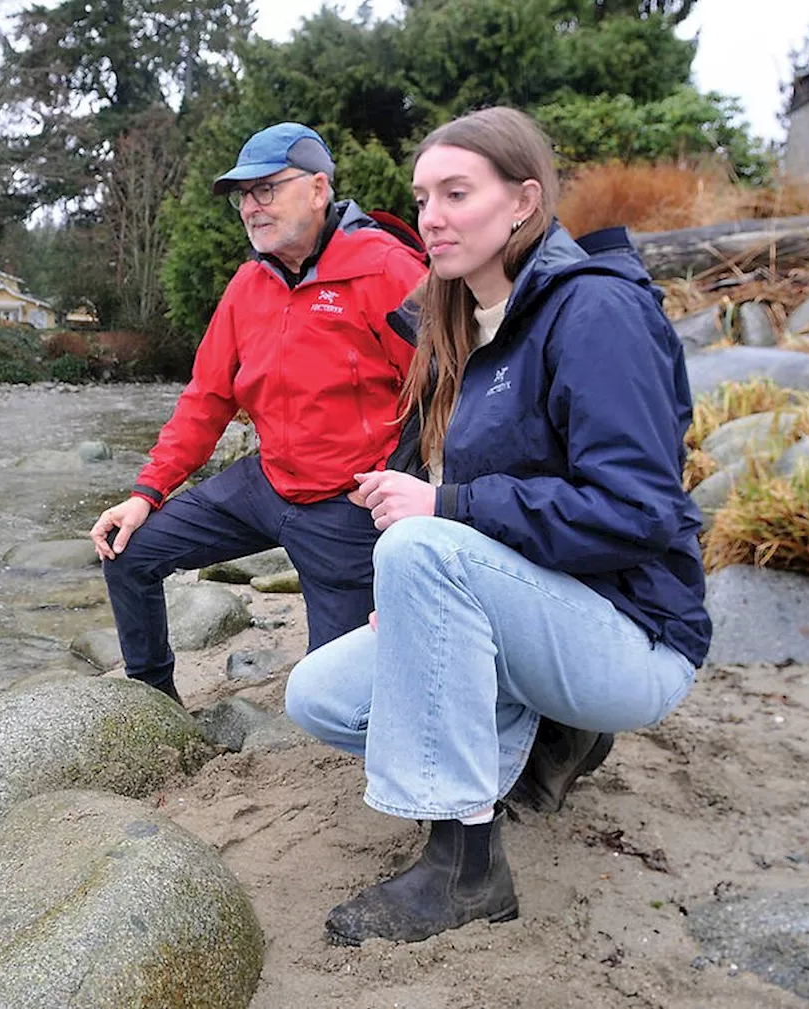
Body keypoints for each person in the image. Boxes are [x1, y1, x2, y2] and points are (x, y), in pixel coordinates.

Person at [284, 107, 712, 946]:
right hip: (547, 615)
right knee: (318, 697)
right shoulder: (459, 327)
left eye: (456, 193)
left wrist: (444, 521)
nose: (431, 216)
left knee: (420, 540)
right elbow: (469, 535)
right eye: (421, 196)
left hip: (637, 636)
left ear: (522, 200)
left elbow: (638, 511)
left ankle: (465, 867)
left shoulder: (595, 313)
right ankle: (557, 733)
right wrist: (424, 590)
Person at [89, 122, 428, 704]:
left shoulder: (386, 268)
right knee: (126, 551)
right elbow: (206, 400)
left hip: (347, 509)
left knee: (336, 697)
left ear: (319, 190)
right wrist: (146, 492)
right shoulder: (249, 284)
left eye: (266, 189)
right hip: (265, 486)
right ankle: (154, 704)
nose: (250, 207)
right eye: (244, 196)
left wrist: (401, 482)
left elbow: (445, 391)